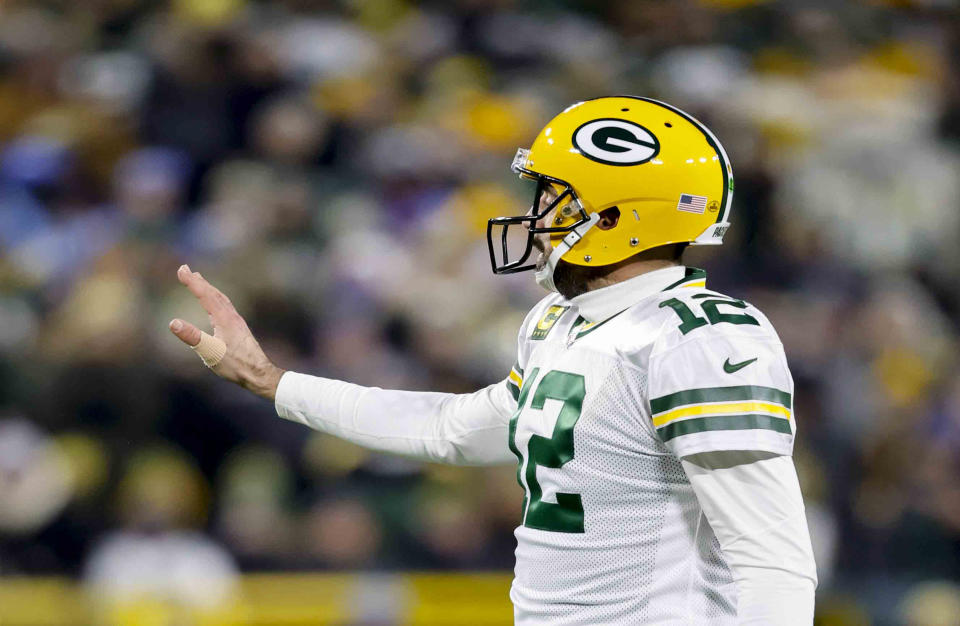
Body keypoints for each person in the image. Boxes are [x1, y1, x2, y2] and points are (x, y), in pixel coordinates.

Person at [170, 96, 817, 624]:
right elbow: (453, 429)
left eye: (555, 196)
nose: (536, 215)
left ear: (622, 216)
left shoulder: (702, 338)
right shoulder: (561, 321)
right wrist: (273, 382)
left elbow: (771, 556)